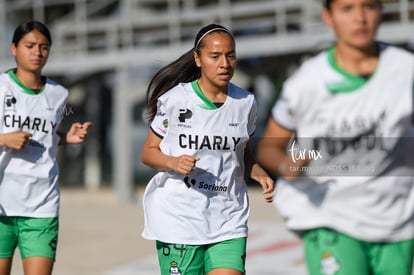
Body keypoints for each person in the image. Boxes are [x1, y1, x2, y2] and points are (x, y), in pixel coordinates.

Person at [257, 0, 414, 275]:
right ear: (328, 17)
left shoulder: (406, 71)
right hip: (329, 214)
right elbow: (270, 147)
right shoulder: (306, 83)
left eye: (369, 6)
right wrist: (286, 166)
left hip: (396, 217)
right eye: (347, 8)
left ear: (380, 11)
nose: (360, 18)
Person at [140, 23, 275, 275]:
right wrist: (173, 162)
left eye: (230, 55)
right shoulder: (174, 101)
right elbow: (148, 152)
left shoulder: (246, 103)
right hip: (180, 219)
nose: (224, 63)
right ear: (198, 59)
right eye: (215, 56)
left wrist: (260, 173)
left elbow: (244, 156)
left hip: (228, 219)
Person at [0, 20, 92, 275]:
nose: (37, 52)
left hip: (42, 203)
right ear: (14, 48)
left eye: (44, 47)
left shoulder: (59, 94)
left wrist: (65, 137)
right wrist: (4, 139)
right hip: (2, 205)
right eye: (29, 45)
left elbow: (48, 135)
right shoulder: (0, 88)